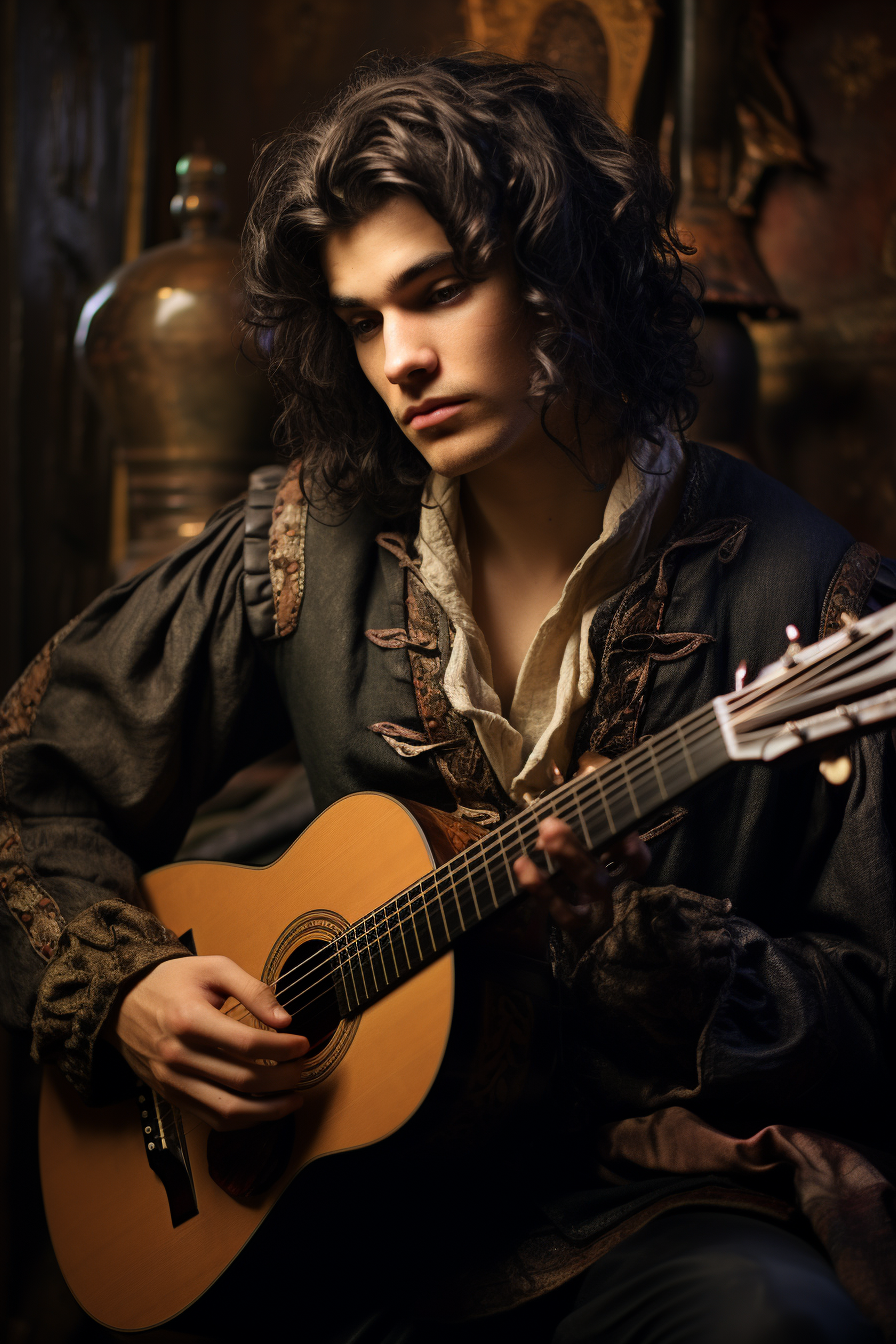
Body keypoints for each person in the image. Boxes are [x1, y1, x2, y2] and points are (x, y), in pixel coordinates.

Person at [1, 52, 894, 1344]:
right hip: (350, 1195)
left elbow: (873, 1017)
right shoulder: (310, 540)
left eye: (436, 292)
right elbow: (33, 768)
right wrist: (130, 989)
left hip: (638, 1201)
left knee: (770, 1322)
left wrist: (664, 957)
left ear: (560, 273)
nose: (399, 360)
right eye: (363, 319)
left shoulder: (813, 589)